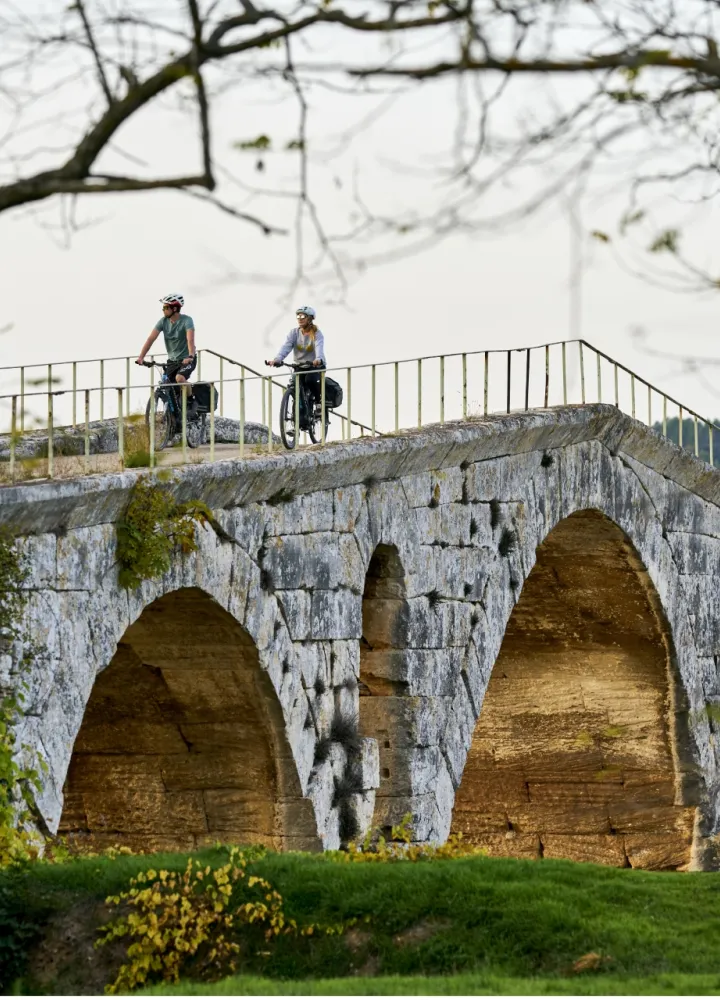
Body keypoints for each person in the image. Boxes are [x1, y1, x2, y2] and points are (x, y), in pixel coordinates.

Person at [136, 293, 198, 415]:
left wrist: (190, 356)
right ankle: (173, 416)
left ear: (174, 308)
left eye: (165, 308)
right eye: (163, 307)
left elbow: (190, 340)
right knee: (168, 386)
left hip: (187, 359)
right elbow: (150, 339)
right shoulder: (163, 322)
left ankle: (191, 400)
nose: (163, 310)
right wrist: (141, 357)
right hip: (172, 361)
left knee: (179, 378)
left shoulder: (187, 320)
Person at [265, 306, 326, 420]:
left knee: (310, 380)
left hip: (315, 365)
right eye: (298, 316)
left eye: (303, 316)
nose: (300, 318)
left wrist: (318, 359)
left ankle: (319, 403)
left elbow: (319, 347)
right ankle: (296, 420)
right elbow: (286, 347)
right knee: (295, 388)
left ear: (310, 319)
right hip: (300, 366)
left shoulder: (317, 333)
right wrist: (277, 359)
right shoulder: (294, 333)